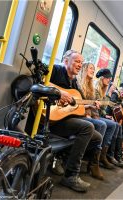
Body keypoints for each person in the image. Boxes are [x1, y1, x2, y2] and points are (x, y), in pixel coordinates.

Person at [49, 50, 102, 192]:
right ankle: (71, 175)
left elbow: (75, 104)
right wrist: (58, 92)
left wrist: (89, 105)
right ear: (66, 61)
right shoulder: (56, 69)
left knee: (97, 138)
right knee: (88, 127)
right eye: (77, 61)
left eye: (81, 62)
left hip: (64, 118)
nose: (80, 65)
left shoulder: (74, 82)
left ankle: (63, 159)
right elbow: (40, 81)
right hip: (50, 118)